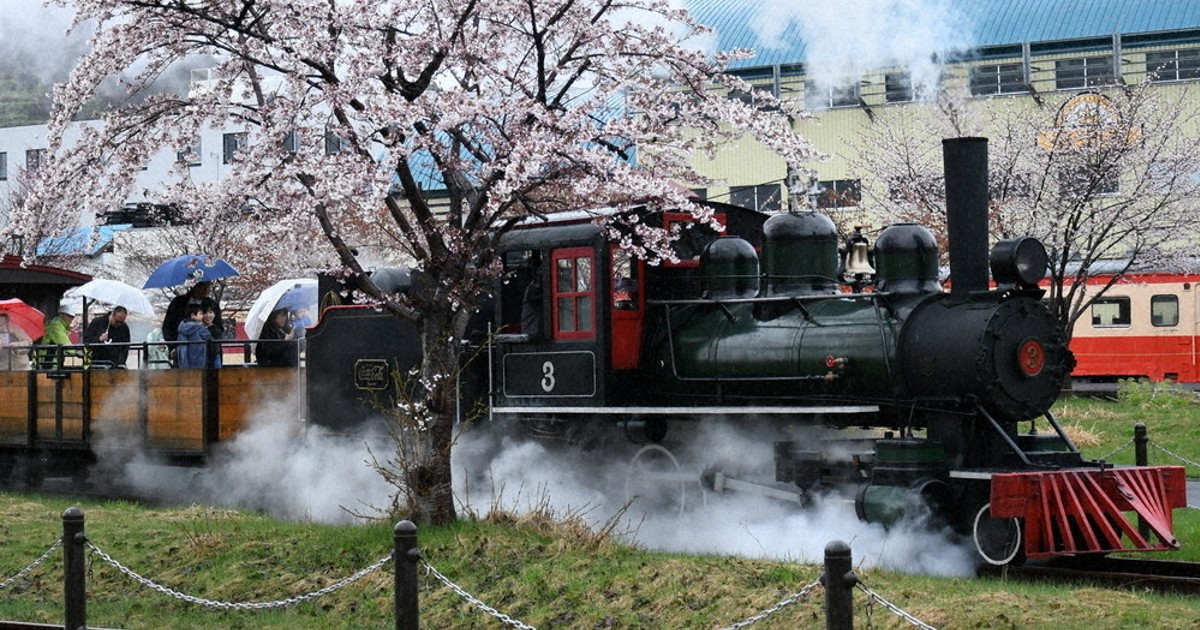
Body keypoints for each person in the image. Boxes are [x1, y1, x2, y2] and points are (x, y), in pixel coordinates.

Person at [35, 299, 79, 370]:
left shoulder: (61, 326)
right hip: (49, 361)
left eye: (72, 316)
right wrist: (77, 352)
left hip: (54, 361)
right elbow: (65, 343)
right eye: (69, 315)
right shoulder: (55, 326)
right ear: (61, 314)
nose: (71, 318)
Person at [175, 304, 215, 369]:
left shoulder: (181, 327)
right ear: (193, 315)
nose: (203, 316)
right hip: (198, 358)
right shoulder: (199, 327)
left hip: (184, 360)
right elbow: (209, 337)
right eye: (201, 314)